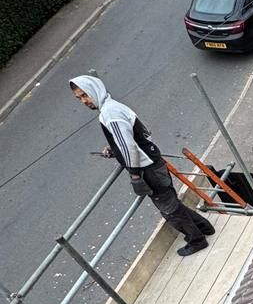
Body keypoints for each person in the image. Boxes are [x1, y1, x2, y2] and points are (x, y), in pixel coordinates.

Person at [69, 75, 213, 257]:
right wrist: (114, 149)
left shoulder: (109, 113)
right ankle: (204, 227)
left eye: (85, 95)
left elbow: (128, 146)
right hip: (153, 162)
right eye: (79, 98)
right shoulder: (113, 106)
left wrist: (135, 175)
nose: (84, 101)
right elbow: (133, 137)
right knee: (171, 203)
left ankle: (197, 240)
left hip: (148, 169)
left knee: (169, 209)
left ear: (94, 90)